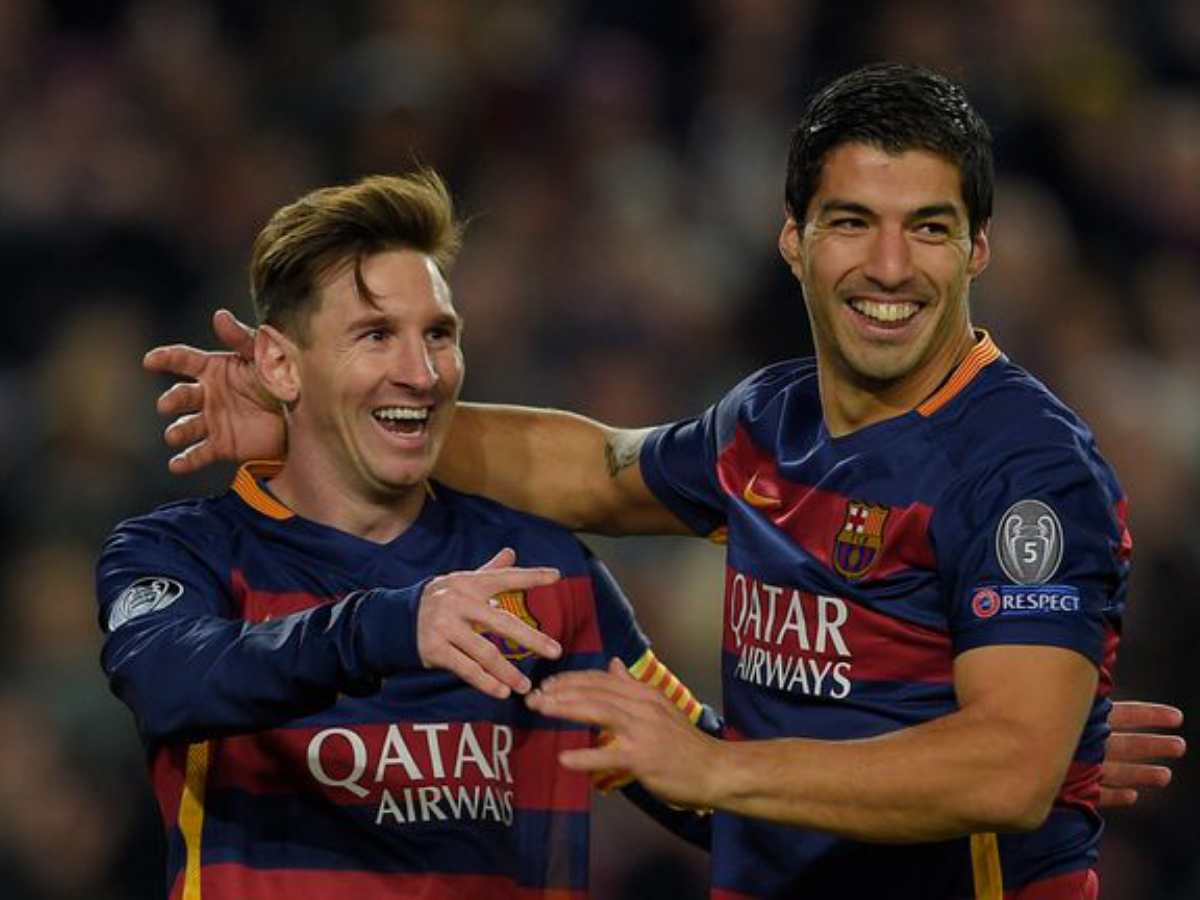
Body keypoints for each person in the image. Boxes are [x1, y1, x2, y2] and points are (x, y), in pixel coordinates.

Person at [145, 65, 1188, 897]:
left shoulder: (1026, 471)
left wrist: (712, 765)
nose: (888, 266)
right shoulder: (770, 421)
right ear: (793, 240)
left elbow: (1010, 773)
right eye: (851, 222)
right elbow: (597, 468)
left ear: (979, 250)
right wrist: (322, 411)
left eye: (928, 227)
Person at [97, 171, 714, 900]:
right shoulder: (182, 553)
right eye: (376, 335)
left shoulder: (540, 573)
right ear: (279, 364)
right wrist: (394, 623)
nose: (421, 374)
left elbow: (715, 790)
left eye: (439, 336)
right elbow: (172, 684)